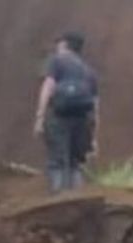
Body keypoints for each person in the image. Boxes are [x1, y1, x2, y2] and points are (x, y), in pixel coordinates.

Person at [33, 31, 100, 193]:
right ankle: (77, 199)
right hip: (82, 120)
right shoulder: (89, 71)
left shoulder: (56, 61)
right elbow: (96, 107)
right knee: (75, 163)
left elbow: (48, 86)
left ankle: (58, 200)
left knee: (57, 161)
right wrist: (94, 138)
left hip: (59, 117)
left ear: (64, 45)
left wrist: (40, 117)